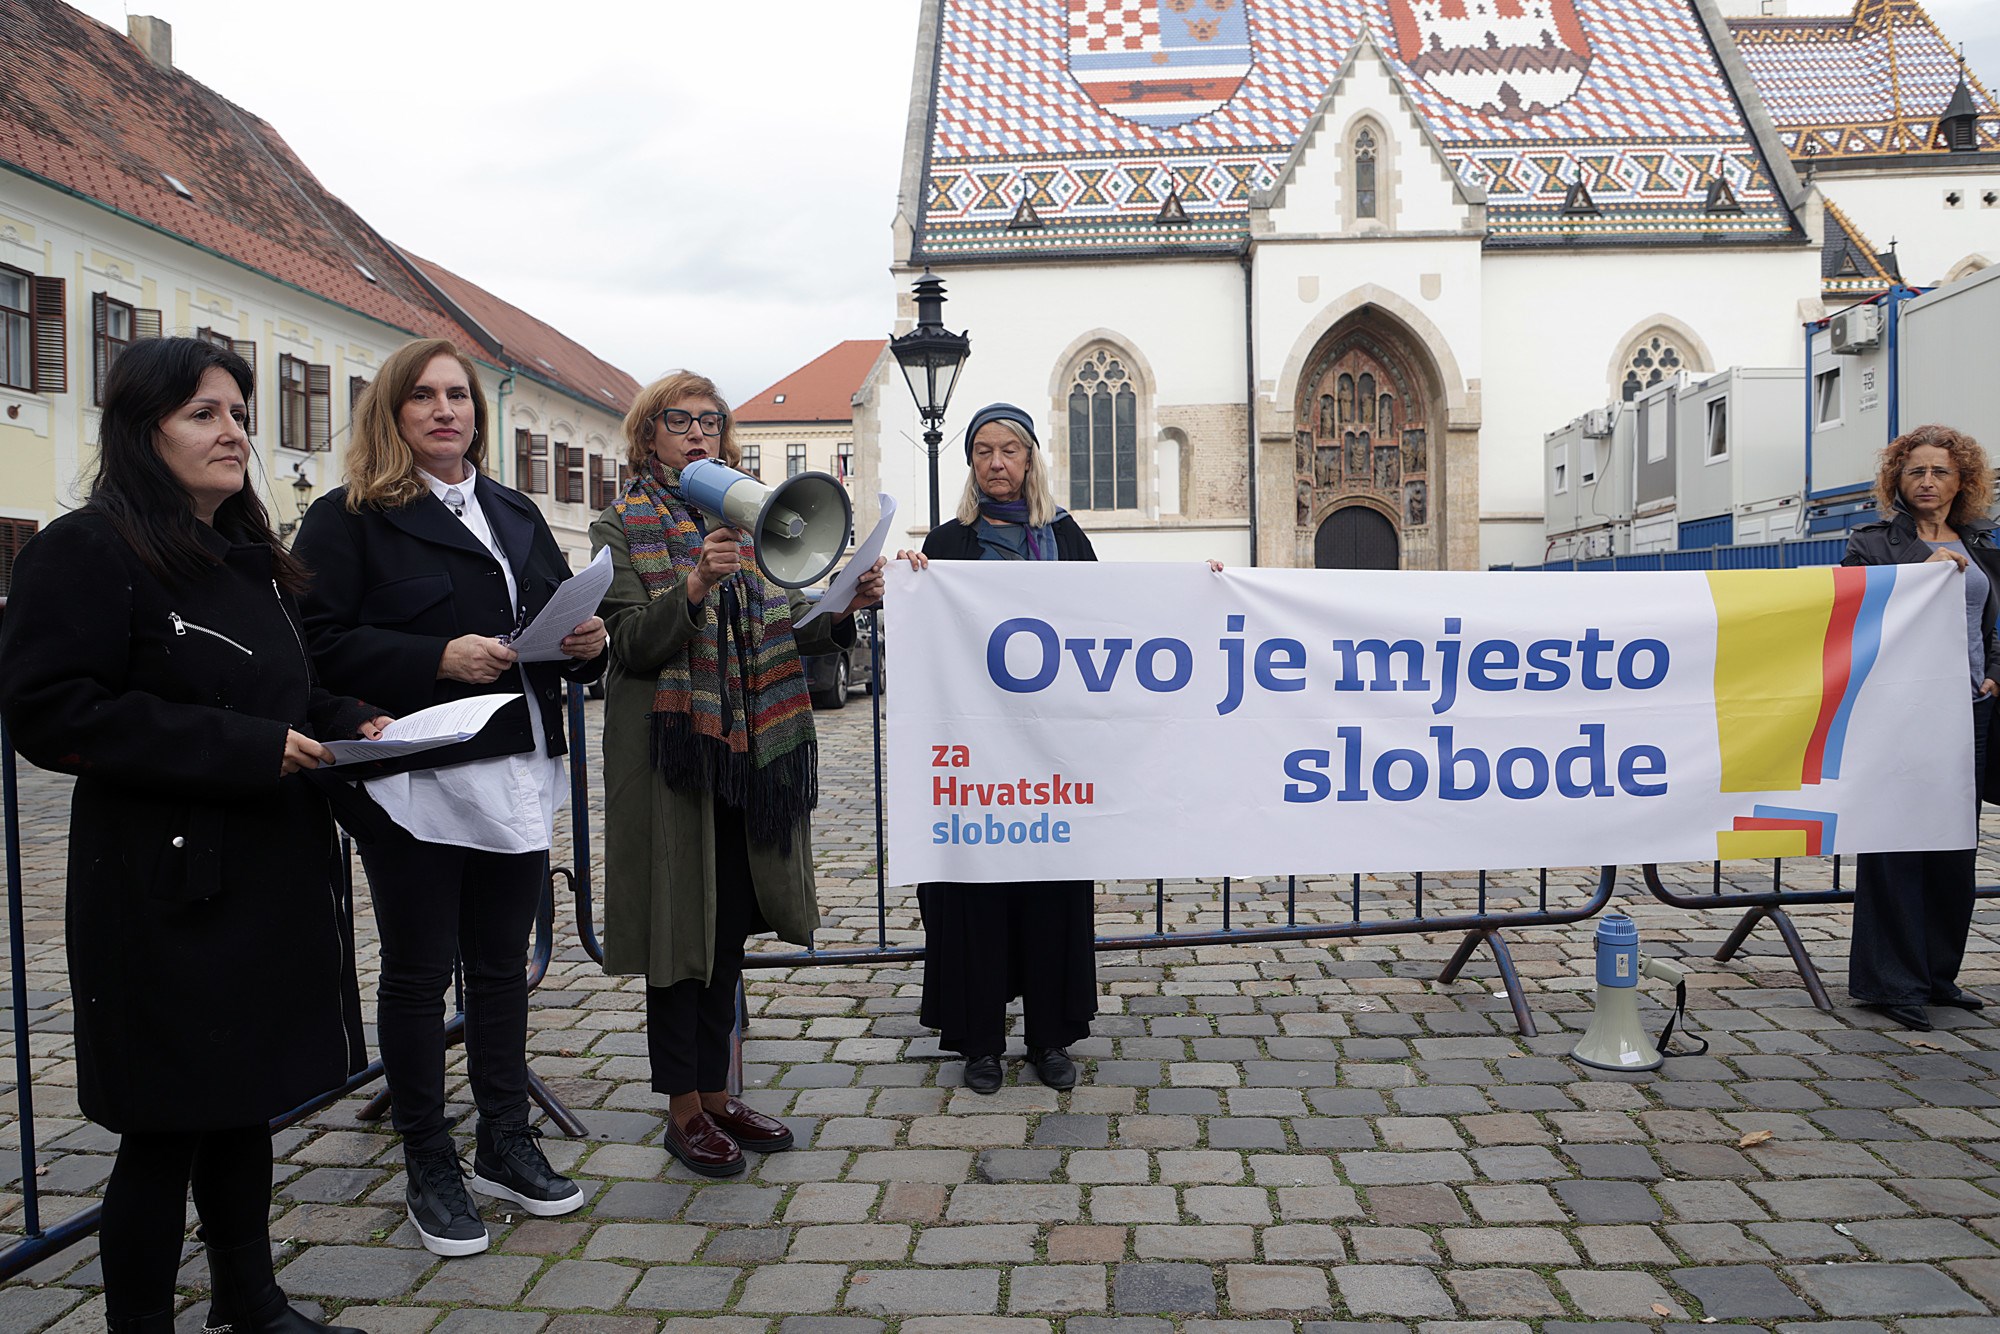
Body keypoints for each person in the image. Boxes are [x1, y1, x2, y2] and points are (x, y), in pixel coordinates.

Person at [0, 338, 380, 1333]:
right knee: (164, 1129)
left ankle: (248, 1298)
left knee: (244, 1103)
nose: (235, 432)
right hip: (163, 890)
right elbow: (50, 711)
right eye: (205, 413)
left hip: (266, 873)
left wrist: (352, 718)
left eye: (239, 412)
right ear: (144, 429)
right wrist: (247, 745)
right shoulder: (86, 549)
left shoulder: (247, 556)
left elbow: (275, 692)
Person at [292, 338, 606, 1256]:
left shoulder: (513, 511)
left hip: (513, 766)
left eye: (459, 396)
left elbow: (563, 617)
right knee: (422, 973)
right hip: (413, 776)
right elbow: (312, 643)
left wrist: (592, 644)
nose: (445, 411)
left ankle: (505, 1141)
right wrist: (431, 658)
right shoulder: (347, 518)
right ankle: (428, 1156)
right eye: (423, 396)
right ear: (392, 411)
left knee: (502, 967)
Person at [593, 371, 884, 1177]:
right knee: (677, 930)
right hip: (669, 755)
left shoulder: (748, 524)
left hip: (743, 751)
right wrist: (692, 585)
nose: (696, 434)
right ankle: (682, 1110)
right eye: (678, 421)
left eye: (710, 422)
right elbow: (628, 643)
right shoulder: (620, 527)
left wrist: (844, 601)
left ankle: (718, 1094)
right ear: (648, 436)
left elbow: (783, 628)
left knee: (722, 929)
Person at [896, 402, 1101, 1094]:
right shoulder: (950, 545)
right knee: (973, 897)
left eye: (1009, 450)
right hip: (974, 759)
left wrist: (1199, 589)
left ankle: (1050, 1038)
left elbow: (1115, 618)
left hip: (1049, 758)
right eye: (983, 451)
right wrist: (909, 582)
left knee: (1050, 895)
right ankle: (979, 1040)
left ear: (1031, 459)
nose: (996, 463)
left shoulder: (1066, 539)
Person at [1842, 422, 2000, 1032]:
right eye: (1916, 471)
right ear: (1897, 481)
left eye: (1941, 471)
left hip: (1971, 712)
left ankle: (1938, 976)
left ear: (1963, 480)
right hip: (1901, 712)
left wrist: (1997, 673)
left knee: (1955, 845)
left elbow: (1995, 621)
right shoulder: (1875, 543)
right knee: (1897, 844)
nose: (1928, 481)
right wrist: (1918, 565)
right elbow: (1853, 608)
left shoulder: (1984, 542)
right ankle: (1890, 983)